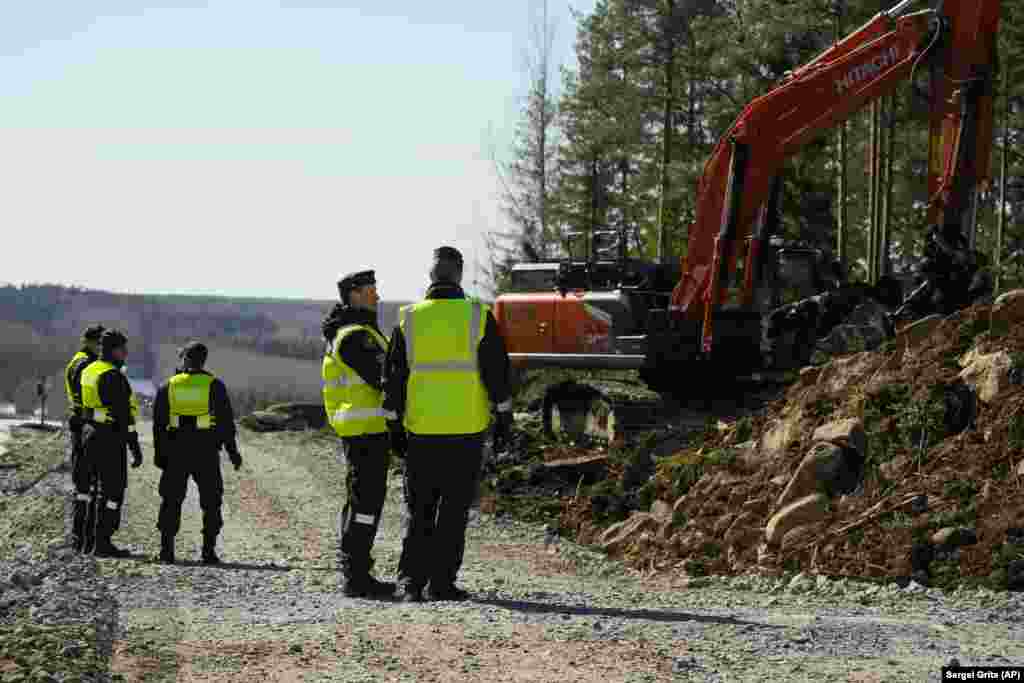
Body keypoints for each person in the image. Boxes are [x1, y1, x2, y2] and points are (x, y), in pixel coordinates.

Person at [383, 246, 514, 603]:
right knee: (454, 511)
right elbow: (497, 372)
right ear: (458, 274)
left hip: (421, 430)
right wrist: (504, 417)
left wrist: (393, 425)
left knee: (419, 510)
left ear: (430, 276)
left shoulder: (408, 318)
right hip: (466, 429)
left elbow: (393, 377)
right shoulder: (477, 315)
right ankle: (441, 583)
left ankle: (410, 582)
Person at [321, 270, 396, 598]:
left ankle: (355, 570)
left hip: (365, 429)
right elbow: (383, 375)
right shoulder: (355, 336)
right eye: (371, 290)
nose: (377, 296)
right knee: (366, 502)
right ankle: (356, 576)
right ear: (354, 294)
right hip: (366, 431)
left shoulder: (356, 331)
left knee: (361, 499)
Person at [152, 342, 242, 565]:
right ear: (204, 360)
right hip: (206, 451)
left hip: (175, 451)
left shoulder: (168, 386)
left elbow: (158, 425)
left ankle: (166, 551)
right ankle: (208, 552)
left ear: (184, 359)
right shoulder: (215, 386)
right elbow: (226, 424)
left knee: (171, 500)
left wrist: (159, 453)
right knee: (211, 502)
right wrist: (233, 453)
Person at [79, 329, 143, 557]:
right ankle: (103, 542)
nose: (126, 353)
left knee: (93, 489)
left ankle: (87, 541)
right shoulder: (113, 376)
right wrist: (135, 448)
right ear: (115, 350)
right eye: (123, 349)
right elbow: (125, 417)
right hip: (109, 437)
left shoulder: (88, 370)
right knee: (113, 492)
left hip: (88, 434)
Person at [65, 324, 105, 552]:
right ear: (91, 342)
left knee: (83, 486)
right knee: (87, 486)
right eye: (100, 343)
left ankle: (81, 538)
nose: (102, 348)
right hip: (85, 426)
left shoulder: (77, 360)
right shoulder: (86, 364)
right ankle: (84, 538)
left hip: (78, 424)